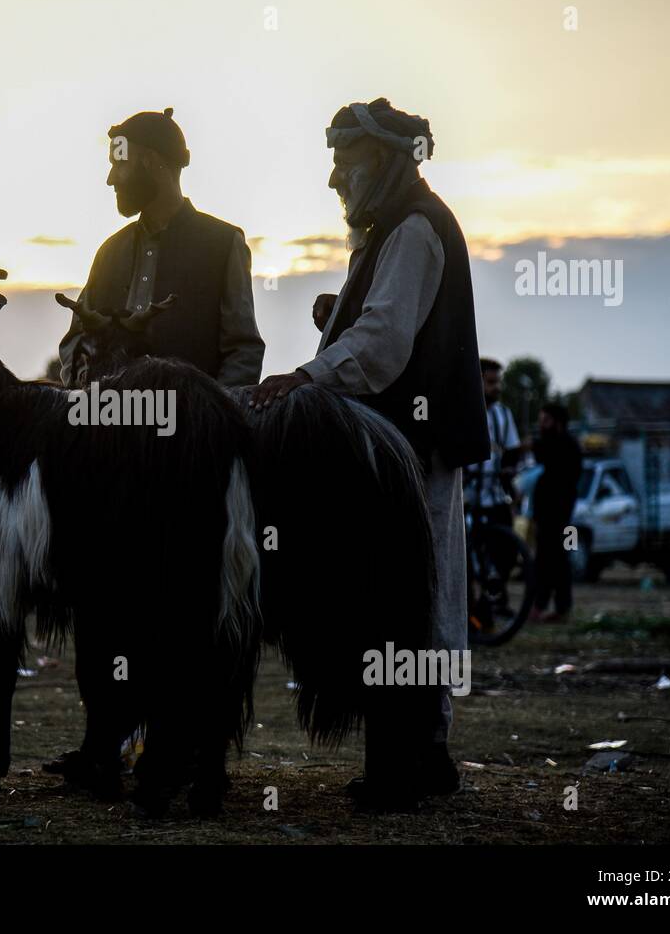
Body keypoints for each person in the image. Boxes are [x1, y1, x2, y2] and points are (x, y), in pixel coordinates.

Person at [249, 98, 490, 809]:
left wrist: (304, 376)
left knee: (404, 603)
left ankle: (407, 767)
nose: (333, 179)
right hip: (400, 450)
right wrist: (339, 316)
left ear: (383, 160)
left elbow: (383, 349)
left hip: (410, 452)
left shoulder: (414, 230)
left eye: (344, 162)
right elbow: (380, 326)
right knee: (413, 601)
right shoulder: (392, 230)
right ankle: (426, 756)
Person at [58, 108, 264, 387]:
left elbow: (243, 351)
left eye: (119, 164)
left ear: (150, 161)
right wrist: (91, 400)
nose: (110, 178)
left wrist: (211, 418)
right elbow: (76, 342)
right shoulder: (109, 252)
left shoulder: (224, 243)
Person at [530, 403, 583, 623]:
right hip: (550, 516)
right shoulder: (559, 445)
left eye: (545, 421)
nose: (541, 426)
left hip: (558, 516)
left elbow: (543, 454)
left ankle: (549, 607)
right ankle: (554, 607)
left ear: (558, 423)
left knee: (552, 561)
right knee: (552, 560)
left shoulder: (564, 446)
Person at [466, 358, 523, 526]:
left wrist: (509, 469)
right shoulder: (465, 412)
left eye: (498, 382)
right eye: (491, 382)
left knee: (505, 546)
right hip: (468, 496)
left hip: (496, 496)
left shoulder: (504, 413)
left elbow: (513, 449)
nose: (497, 388)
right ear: (477, 381)